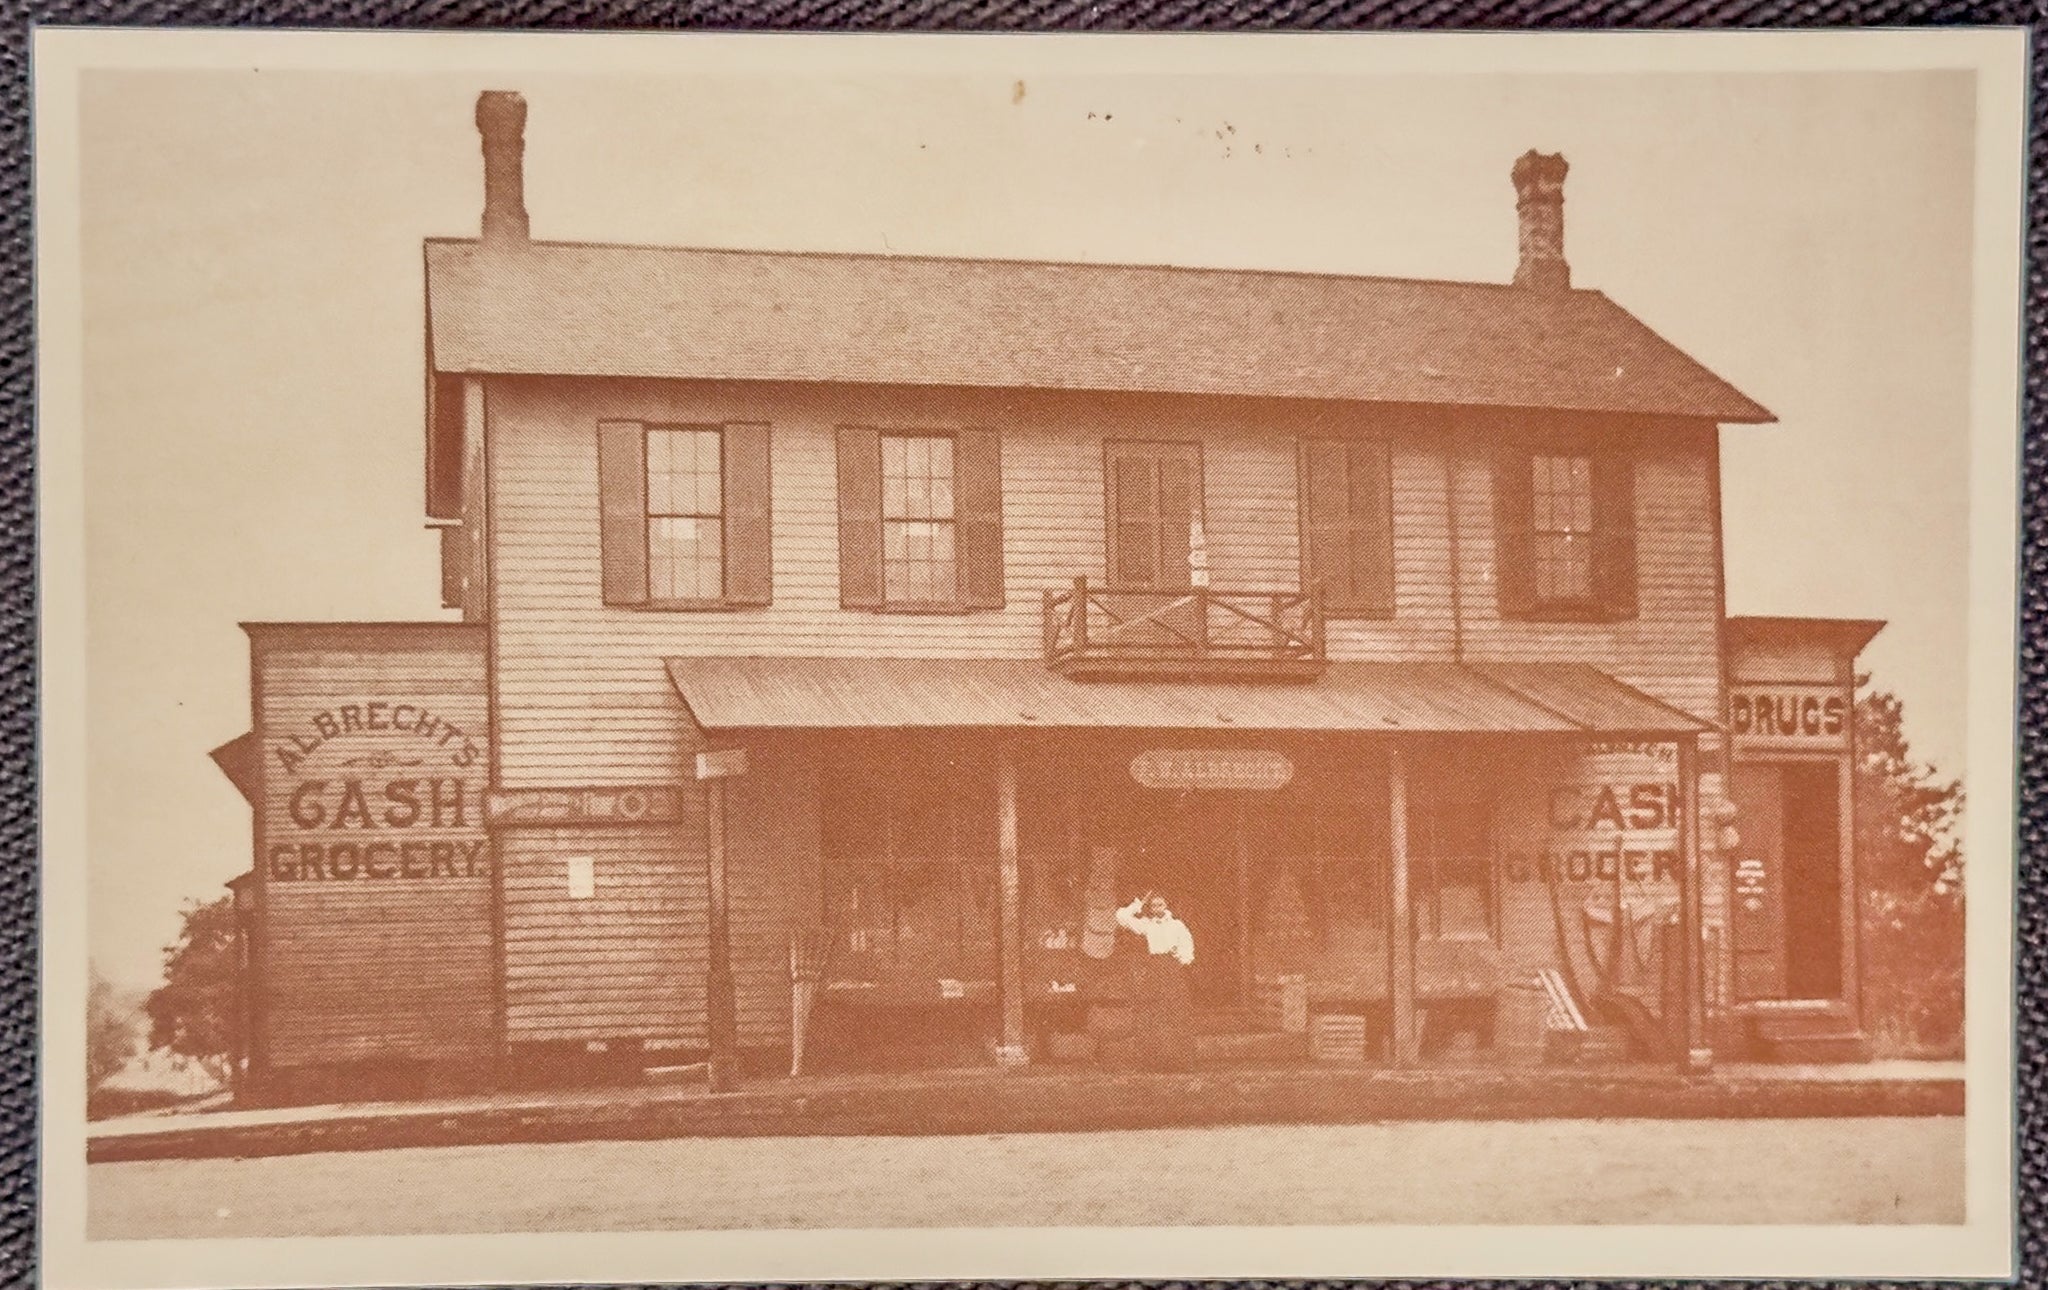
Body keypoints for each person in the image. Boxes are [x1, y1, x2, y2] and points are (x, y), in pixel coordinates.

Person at [1114, 891, 1197, 1069]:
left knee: (1176, 1013)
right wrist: (1138, 905)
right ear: (1150, 908)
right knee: (1152, 1013)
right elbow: (1121, 917)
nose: (1157, 908)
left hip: (1172, 969)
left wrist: (1181, 960)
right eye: (1153, 905)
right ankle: (1154, 1061)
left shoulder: (1177, 925)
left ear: (1166, 906)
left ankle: (1179, 1061)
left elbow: (1187, 945)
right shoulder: (1148, 925)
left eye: (1160, 904)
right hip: (1154, 969)